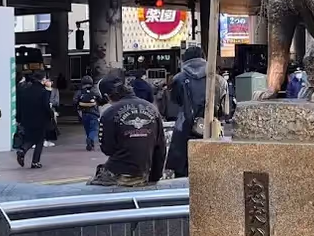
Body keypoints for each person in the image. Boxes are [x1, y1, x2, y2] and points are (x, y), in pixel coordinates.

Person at [89, 76, 166, 187]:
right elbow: (160, 148)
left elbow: (107, 149)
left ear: (107, 96)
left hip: (120, 172)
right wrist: (155, 177)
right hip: (144, 171)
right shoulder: (152, 109)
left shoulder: (109, 113)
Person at [164, 45, 226, 178]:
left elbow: (173, 105)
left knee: (183, 173)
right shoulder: (219, 80)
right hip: (211, 129)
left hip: (184, 130)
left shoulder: (178, 79)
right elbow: (225, 110)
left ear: (184, 60)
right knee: (211, 171)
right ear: (204, 58)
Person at [15, 71, 52, 169]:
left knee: (31, 138)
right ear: (43, 79)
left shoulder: (26, 90)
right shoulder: (43, 91)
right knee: (39, 140)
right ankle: (35, 161)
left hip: (27, 119)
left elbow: (20, 105)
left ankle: (22, 150)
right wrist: (51, 115)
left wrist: (19, 118)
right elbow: (46, 105)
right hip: (40, 119)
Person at [75, 75, 101, 151]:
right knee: (94, 129)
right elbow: (100, 100)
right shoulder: (94, 91)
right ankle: (90, 139)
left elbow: (75, 101)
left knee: (87, 129)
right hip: (94, 113)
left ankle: (91, 144)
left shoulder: (79, 92)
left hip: (84, 113)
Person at [43, 77, 60, 147]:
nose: (47, 82)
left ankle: (49, 139)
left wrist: (51, 104)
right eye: (46, 81)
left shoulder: (55, 91)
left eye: (48, 81)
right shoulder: (42, 90)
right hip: (44, 109)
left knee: (52, 124)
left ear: (52, 83)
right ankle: (44, 139)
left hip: (52, 109)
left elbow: (57, 102)